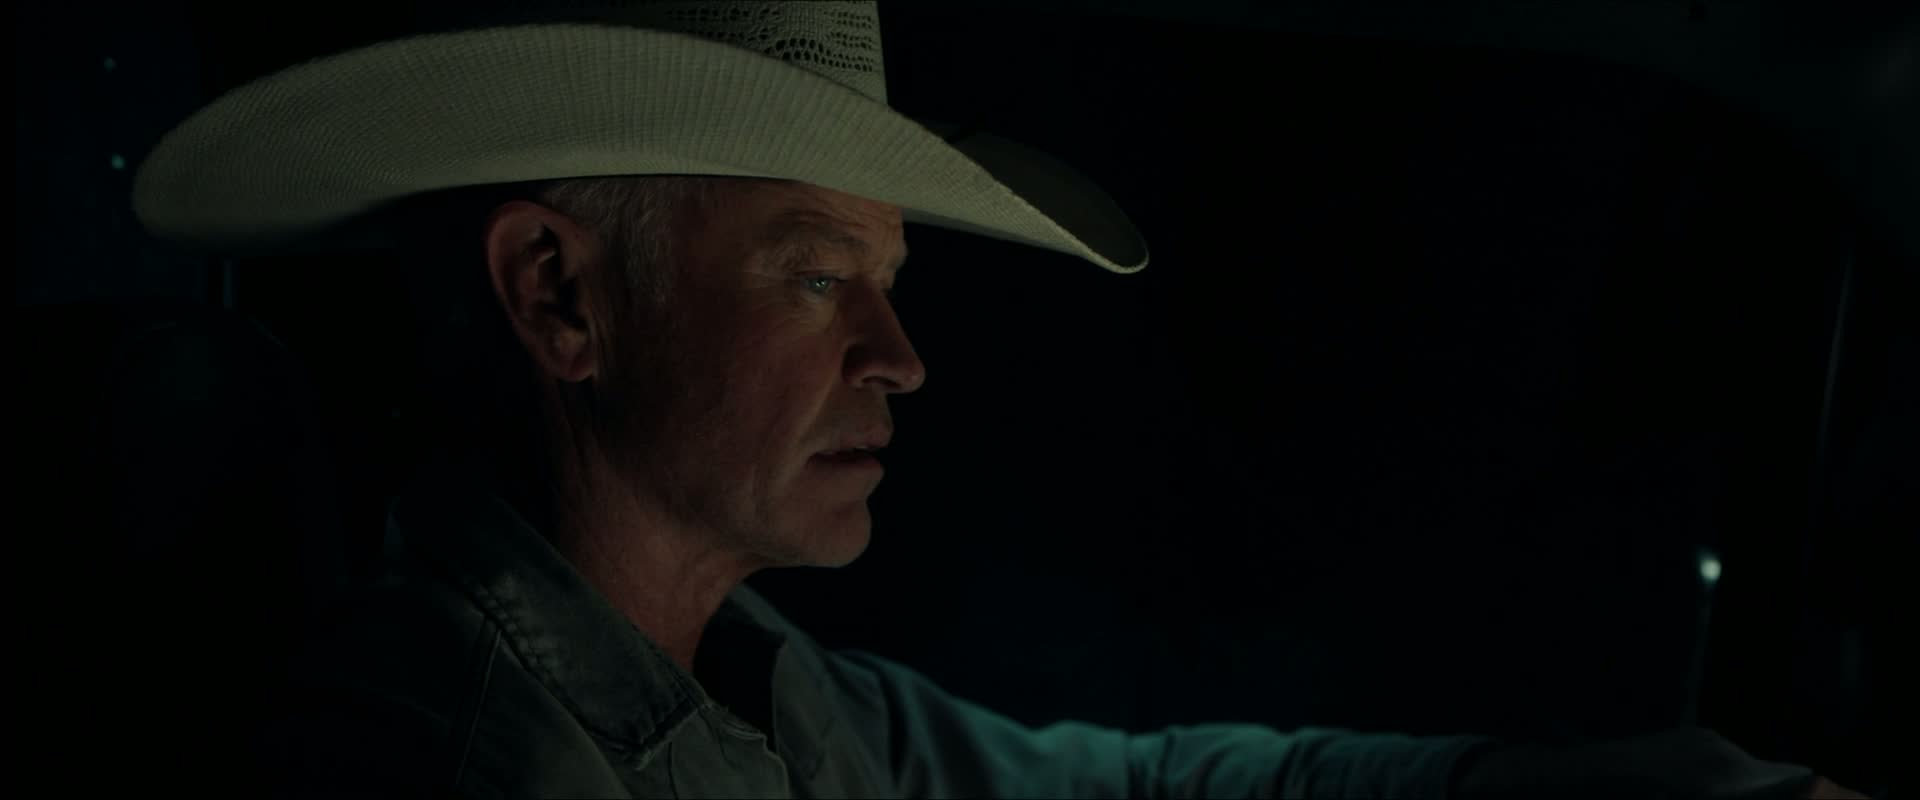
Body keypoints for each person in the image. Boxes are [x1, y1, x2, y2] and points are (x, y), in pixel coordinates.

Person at [131, 2, 1868, 797]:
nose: (899, 356)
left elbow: (1144, 785)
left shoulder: (753, 678)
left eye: (889, 281)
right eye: (818, 275)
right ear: (559, 296)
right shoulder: (444, 762)